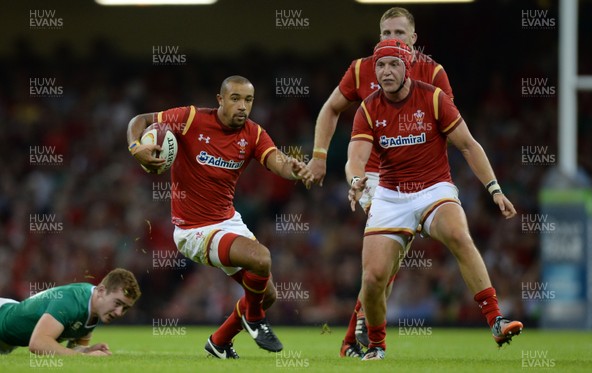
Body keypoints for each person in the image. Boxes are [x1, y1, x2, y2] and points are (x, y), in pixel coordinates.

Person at [346, 39, 523, 361]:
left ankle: (496, 319)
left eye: (393, 64)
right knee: (372, 278)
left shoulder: (434, 98)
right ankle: (376, 345)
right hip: (390, 196)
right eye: (380, 66)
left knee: (458, 234)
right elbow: (356, 156)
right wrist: (357, 180)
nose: (386, 72)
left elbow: (468, 146)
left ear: (407, 67)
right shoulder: (368, 108)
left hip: (434, 189)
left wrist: (494, 189)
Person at [126, 75, 314, 359]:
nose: (242, 106)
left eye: (248, 100)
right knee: (261, 258)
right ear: (220, 100)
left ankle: (220, 342)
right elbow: (139, 120)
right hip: (192, 230)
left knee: (267, 295)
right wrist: (135, 147)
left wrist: (293, 169)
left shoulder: (252, 133)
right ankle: (255, 320)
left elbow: (276, 160)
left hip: (228, 222)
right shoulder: (190, 119)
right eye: (235, 99)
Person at [306, 7, 454, 357]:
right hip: (374, 175)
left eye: (399, 33)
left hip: (416, 178)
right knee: (383, 264)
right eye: (385, 33)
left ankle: (355, 337)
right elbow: (330, 108)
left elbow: (450, 127)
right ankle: (357, 338)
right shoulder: (362, 69)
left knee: (385, 266)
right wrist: (319, 156)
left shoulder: (432, 73)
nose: (390, 40)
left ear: (414, 39)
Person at [0, 268, 141, 356]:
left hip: (7, 336)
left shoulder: (94, 308)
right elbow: (38, 343)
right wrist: (84, 357)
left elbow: (71, 351)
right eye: (117, 303)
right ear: (102, 291)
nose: (119, 312)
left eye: (125, 308)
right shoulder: (71, 301)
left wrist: (87, 350)